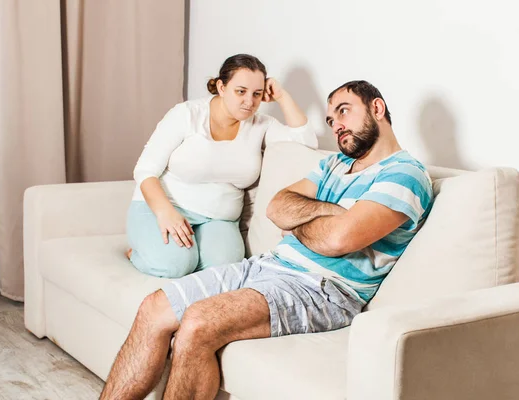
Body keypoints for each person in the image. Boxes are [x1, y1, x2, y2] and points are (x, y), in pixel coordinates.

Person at [101, 80, 434, 400]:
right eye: (331, 121)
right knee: (154, 307)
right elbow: (277, 206)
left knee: (198, 322)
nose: (337, 126)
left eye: (344, 111)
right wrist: (331, 212)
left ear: (377, 108)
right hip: (269, 265)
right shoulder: (335, 163)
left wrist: (303, 221)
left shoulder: (404, 173)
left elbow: (338, 240)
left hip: (323, 289)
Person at [126, 54, 318, 279]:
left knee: (225, 272)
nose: (249, 102)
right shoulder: (187, 114)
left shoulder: (261, 125)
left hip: (220, 220)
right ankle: (139, 254)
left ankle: (184, 254)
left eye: (257, 94)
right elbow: (145, 170)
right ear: (221, 87)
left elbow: (306, 142)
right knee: (175, 265)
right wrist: (165, 212)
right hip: (167, 207)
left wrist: (283, 96)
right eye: (241, 91)